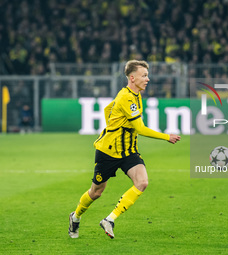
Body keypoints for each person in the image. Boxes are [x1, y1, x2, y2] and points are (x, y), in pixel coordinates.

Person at [68, 60, 181, 239]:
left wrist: (114, 124)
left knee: (142, 182)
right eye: (144, 75)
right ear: (132, 77)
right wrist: (167, 136)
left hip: (128, 151)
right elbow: (141, 129)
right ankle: (75, 216)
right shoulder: (126, 97)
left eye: (147, 75)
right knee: (96, 192)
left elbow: (108, 109)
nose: (148, 79)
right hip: (108, 152)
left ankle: (109, 220)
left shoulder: (134, 95)